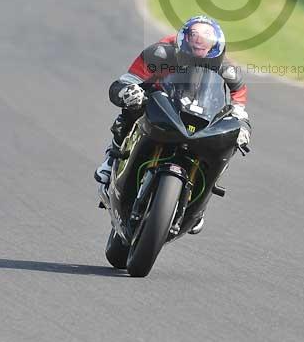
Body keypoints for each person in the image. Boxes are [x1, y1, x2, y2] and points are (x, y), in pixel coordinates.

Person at [94, 16, 251, 234]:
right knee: (132, 107)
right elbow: (124, 81)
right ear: (183, 41)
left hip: (198, 114)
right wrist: (130, 91)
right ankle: (111, 159)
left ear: (215, 50)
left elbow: (239, 102)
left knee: (230, 138)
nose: (198, 49)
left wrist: (241, 125)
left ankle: (202, 202)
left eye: (204, 48)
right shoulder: (160, 53)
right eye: (193, 43)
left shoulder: (227, 71)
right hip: (161, 103)